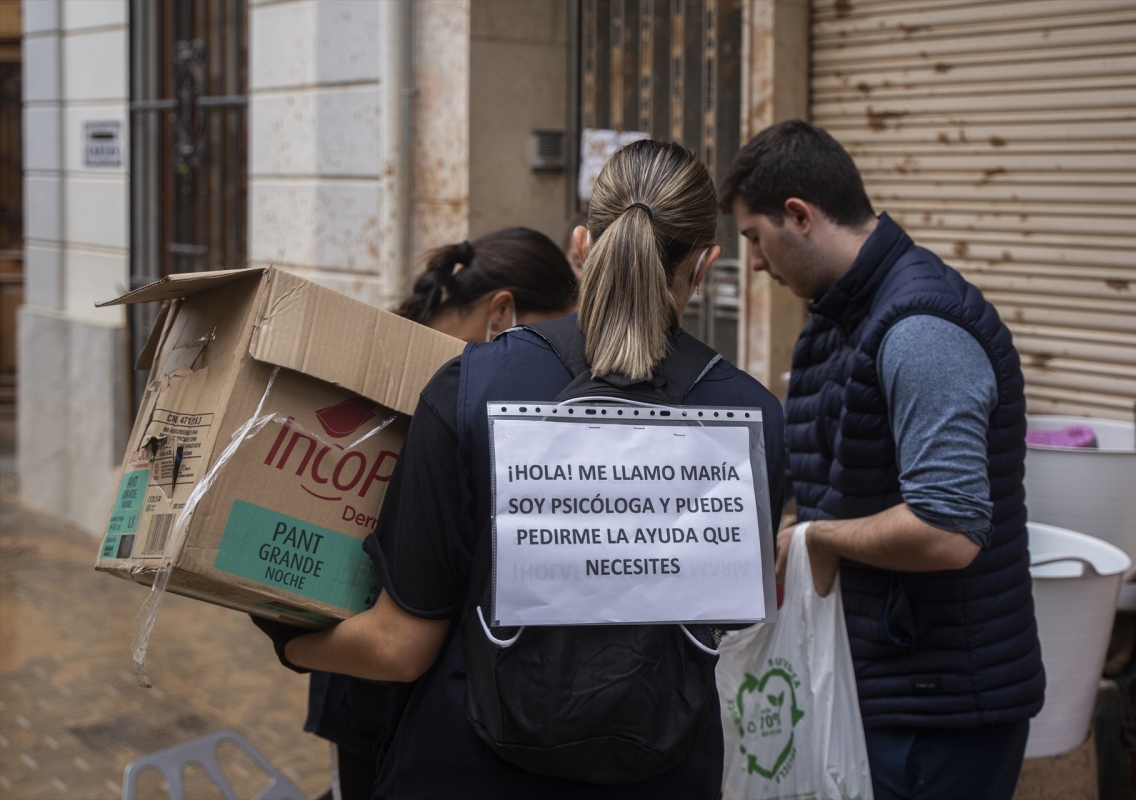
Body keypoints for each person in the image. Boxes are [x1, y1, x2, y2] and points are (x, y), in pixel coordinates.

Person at [258, 139, 786, 798]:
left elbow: (400, 644)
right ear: (705, 263)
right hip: (666, 775)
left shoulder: (471, 387)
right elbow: (725, 624)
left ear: (583, 243)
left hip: (469, 771)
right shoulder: (754, 422)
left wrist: (289, 643)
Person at [718, 119, 1045, 800]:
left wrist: (814, 538)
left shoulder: (920, 330)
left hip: (938, 712)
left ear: (799, 216)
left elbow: (948, 530)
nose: (752, 262)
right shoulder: (839, 319)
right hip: (885, 684)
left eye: (753, 238)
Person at [289, 227, 579, 800]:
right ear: (503, 312)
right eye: (553, 333)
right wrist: (290, 646)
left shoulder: (390, 367)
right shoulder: (457, 400)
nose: (560, 359)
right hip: (388, 689)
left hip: (370, 680)